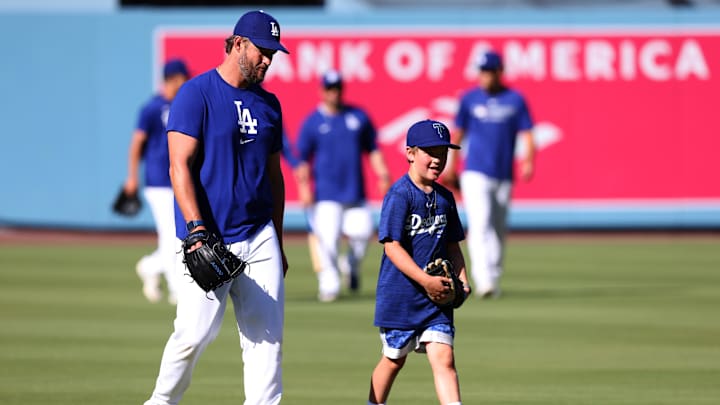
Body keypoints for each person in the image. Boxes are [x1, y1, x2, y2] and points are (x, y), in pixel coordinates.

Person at [143, 10, 289, 405]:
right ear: (238, 43)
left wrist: (278, 239)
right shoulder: (197, 93)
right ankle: (160, 401)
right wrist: (195, 230)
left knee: (266, 340)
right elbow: (180, 167)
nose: (267, 61)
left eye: (273, 54)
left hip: (259, 236)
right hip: (207, 237)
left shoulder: (270, 105)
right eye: (262, 51)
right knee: (192, 334)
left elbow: (275, 178)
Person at [368, 119, 470, 405]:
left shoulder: (446, 198)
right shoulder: (400, 195)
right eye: (430, 152)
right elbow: (392, 247)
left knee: (444, 358)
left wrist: (463, 279)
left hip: (436, 301)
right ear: (410, 153)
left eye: (443, 153)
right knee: (393, 360)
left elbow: (453, 245)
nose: (437, 159)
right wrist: (425, 281)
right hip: (401, 297)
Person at [445, 49, 536, 299]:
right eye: (481, 71)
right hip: (475, 171)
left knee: (498, 227)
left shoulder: (514, 99)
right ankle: (483, 278)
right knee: (480, 222)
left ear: (499, 71)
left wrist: (528, 160)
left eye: (488, 71)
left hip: (503, 172)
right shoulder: (470, 98)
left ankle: (493, 277)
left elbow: (527, 132)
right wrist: (451, 165)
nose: (484, 76)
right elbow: (458, 133)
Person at [295, 70, 390, 302]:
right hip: (326, 194)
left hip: (354, 192)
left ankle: (350, 264)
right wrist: (304, 188)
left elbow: (373, 149)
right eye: (329, 88)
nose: (334, 93)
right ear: (321, 91)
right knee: (327, 241)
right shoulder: (313, 122)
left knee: (363, 231)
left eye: (337, 88)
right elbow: (302, 160)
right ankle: (329, 284)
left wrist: (383, 174)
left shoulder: (358, 117)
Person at [123, 58, 189, 305]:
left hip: (178, 179)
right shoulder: (152, 108)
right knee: (171, 235)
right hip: (158, 181)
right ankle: (176, 289)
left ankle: (150, 266)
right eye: (183, 78)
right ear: (172, 79)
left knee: (177, 235)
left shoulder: (183, 105)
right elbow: (136, 144)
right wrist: (132, 177)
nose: (185, 82)